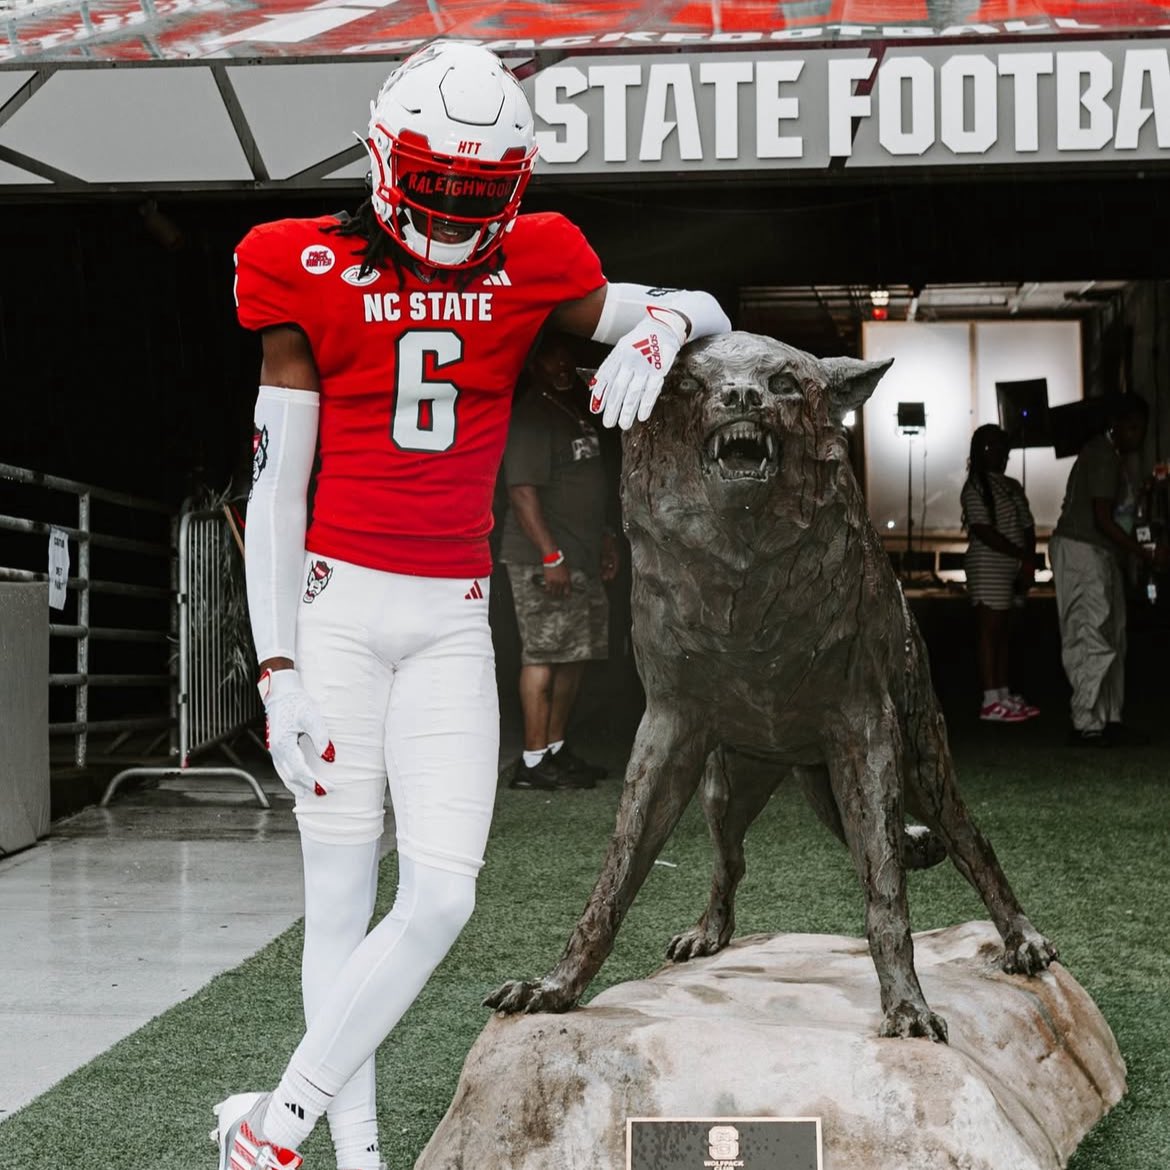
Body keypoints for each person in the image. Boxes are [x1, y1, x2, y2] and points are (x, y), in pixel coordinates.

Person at [219, 40, 731, 1170]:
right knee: (340, 901)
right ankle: (350, 1155)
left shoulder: (538, 255)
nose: (455, 209)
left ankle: (270, 1125)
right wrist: (279, 668)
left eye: (478, 189)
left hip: (452, 615)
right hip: (337, 610)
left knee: (443, 896)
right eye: (437, 182)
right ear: (383, 158)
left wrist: (662, 327)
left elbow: (702, 305)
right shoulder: (297, 260)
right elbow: (277, 486)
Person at [498, 332, 618, 791]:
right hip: (543, 559)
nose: (563, 366)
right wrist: (551, 555)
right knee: (544, 655)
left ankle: (554, 747)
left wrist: (605, 538)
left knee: (574, 654)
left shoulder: (571, 411)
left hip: (581, 555)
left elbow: (585, 486)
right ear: (533, 365)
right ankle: (532, 762)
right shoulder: (531, 416)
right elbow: (522, 492)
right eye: (552, 359)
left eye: (568, 358)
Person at [1049, 396, 1166, 747]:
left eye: (1141, 429)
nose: (1138, 436)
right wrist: (1143, 553)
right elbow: (1102, 518)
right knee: (1090, 632)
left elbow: (1119, 517)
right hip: (1082, 550)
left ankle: (1110, 717)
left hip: (1100, 553)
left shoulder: (1113, 458)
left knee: (1114, 635)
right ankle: (1087, 722)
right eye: (1133, 427)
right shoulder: (1101, 454)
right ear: (1116, 425)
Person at [959, 424, 1040, 723]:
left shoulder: (1011, 485)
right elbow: (983, 530)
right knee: (989, 631)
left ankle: (1003, 693)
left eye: (1001, 447)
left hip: (1011, 566)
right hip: (988, 565)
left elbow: (1027, 525)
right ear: (978, 452)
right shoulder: (975, 487)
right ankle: (990, 699)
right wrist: (1022, 555)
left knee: (1004, 632)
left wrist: (1027, 560)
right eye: (989, 446)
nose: (997, 452)